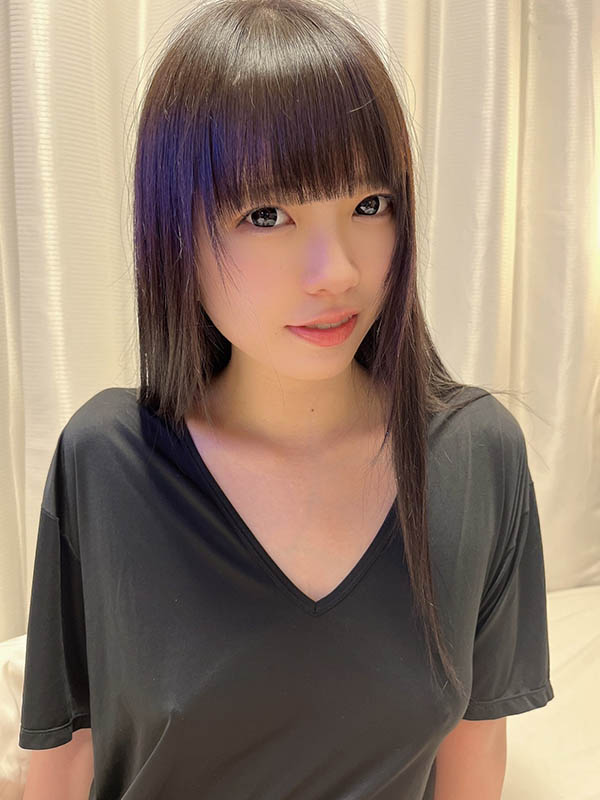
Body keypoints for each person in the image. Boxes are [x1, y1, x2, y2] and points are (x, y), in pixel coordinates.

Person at [19, 0, 554, 798]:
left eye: (369, 205)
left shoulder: (476, 456)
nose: (337, 271)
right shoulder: (108, 461)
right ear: (174, 234)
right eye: (266, 214)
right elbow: (64, 756)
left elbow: (472, 758)